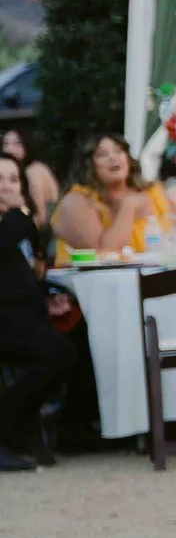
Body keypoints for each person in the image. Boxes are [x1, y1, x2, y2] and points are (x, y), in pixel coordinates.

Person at [0, 153, 77, 470]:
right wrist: (19, 214)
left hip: (24, 313)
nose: (5, 187)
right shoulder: (15, 222)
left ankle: (73, 427)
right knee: (58, 353)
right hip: (4, 318)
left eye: (13, 180)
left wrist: (48, 294)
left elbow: (20, 273)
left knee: (79, 337)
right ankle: (9, 422)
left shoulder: (16, 224)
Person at [52, 133, 176, 258]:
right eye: (102, 154)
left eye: (119, 151)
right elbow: (105, 254)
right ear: (89, 164)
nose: (113, 157)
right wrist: (128, 207)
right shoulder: (78, 200)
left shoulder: (154, 192)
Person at [1, 130, 59, 226]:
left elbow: (41, 217)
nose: (9, 148)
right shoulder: (35, 167)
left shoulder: (32, 172)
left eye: (17, 143)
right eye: (5, 143)